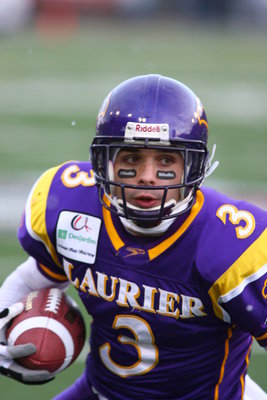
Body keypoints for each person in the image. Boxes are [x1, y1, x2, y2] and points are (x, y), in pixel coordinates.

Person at [0, 74, 266, 399]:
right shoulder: (74, 208)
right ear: (104, 162)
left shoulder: (232, 245)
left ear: (195, 167)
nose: (148, 177)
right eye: (131, 159)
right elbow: (33, 278)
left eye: (166, 160)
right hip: (99, 391)